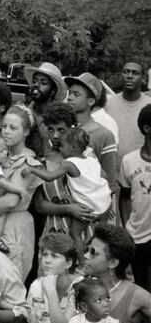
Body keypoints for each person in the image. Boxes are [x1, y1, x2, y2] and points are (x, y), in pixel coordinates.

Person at [0, 106, 44, 279]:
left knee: (7, 278)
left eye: (13, 128)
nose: (6, 132)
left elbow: (10, 202)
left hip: (13, 225)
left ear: (26, 132)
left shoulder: (27, 162)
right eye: (4, 126)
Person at [24, 127, 112, 255]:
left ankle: (82, 263)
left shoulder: (68, 163)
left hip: (87, 207)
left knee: (75, 234)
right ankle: (96, 258)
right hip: (104, 203)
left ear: (74, 147)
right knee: (100, 235)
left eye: (63, 146)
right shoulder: (92, 160)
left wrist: (32, 170)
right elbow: (105, 177)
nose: (60, 149)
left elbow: (50, 177)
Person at [31, 103, 94, 242]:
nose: (55, 135)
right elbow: (40, 205)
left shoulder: (86, 156)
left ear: (72, 128)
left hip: (84, 229)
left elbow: (101, 187)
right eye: (51, 130)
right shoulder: (42, 160)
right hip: (54, 231)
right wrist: (68, 208)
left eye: (61, 130)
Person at [64, 72, 118, 194]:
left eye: (76, 94)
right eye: (70, 93)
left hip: (92, 205)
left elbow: (110, 181)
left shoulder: (104, 135)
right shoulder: (64, 131)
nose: (70, 97)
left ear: (91, 101)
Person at [120, 104, 151, 293]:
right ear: (147, 128)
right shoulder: (129, 160)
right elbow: (124, 197)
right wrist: (126, 229)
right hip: (136, 236)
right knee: (139, 288)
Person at [106, 61, 151, 166]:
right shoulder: (108, 104)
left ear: (143, 78)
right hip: (113, 171)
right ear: (121, 76)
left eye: (135, 73)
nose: (129, 76)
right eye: (126, 72)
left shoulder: (149, 105)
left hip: (142, 171)